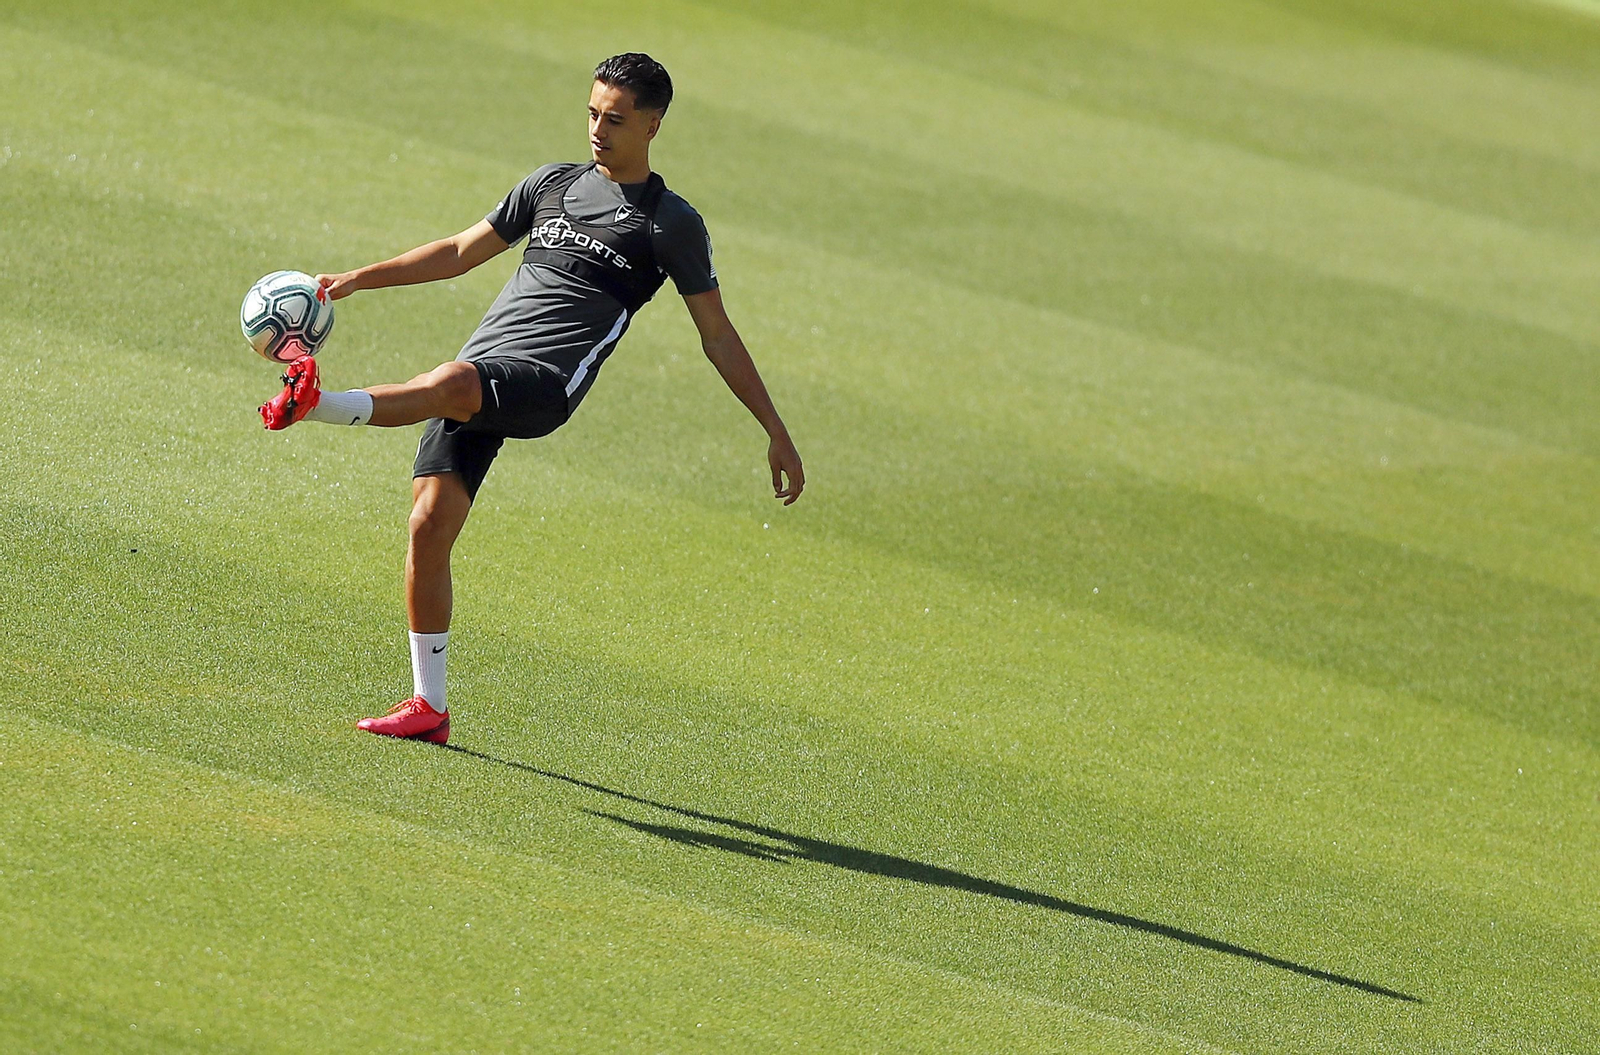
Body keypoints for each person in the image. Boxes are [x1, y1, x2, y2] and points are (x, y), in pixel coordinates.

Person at [259, 53, 804, 745]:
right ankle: (430, 707)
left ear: (653, 126)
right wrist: (359, 278)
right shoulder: (551, 184)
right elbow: (460, 250)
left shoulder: (668, 224)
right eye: (592, 113)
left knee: (450, 383)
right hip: (483, 370)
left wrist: (774, 428)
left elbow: (718, 335)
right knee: (428, 524)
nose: (598, 130)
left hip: (545, 384)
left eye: (616, 119)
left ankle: (315, 402)